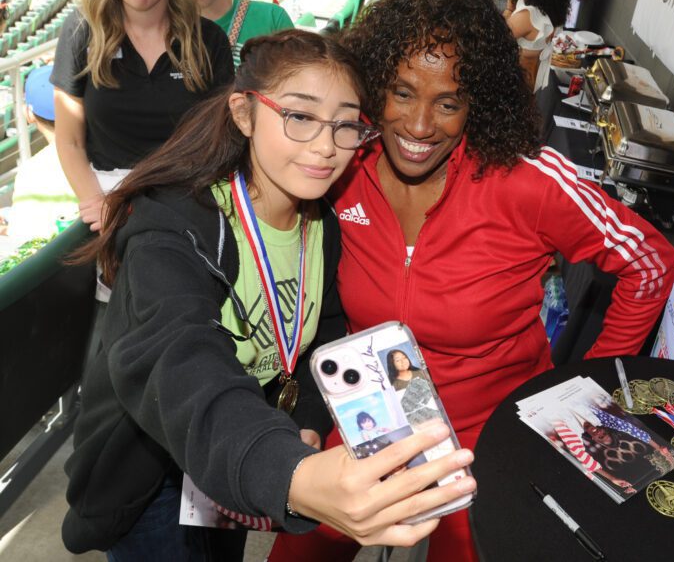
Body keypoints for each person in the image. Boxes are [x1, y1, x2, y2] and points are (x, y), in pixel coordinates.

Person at [270, 0, 674, 561]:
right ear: (376, 83)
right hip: (373, 416)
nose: (418, 127)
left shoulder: (525, 183)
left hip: (488, 437)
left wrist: (585, 390)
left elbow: (651, 262)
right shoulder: (342, 166)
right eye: (403, 93)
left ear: (477, 103)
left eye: (449, 102)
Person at [61, 30, 476, 560]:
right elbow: (179, 360)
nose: (326, 147)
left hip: (242, 454)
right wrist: (291, 474)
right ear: (243, 113)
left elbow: (322, 327)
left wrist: (303, 421)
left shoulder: (321, 221)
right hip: (155, 476)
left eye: (346, 124)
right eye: (299, 117)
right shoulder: (172, 230)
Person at [51, 0, 235, 233]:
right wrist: (99, 205)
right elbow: (70, 139)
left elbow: (220, 145)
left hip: (190, 210)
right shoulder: (81, 31)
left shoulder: (210, 41)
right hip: (109, 212)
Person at [1, 65, 78, 252]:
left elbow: (26, 244)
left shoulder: (33, 173)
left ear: (28, 114)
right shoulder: (111, 145)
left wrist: (6, 230)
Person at [504, 0, 568, 91]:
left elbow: (492, 39)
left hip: (512, 88)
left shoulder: (528, 16)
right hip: (529, 88)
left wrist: (509, 8)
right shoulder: (553, 15)